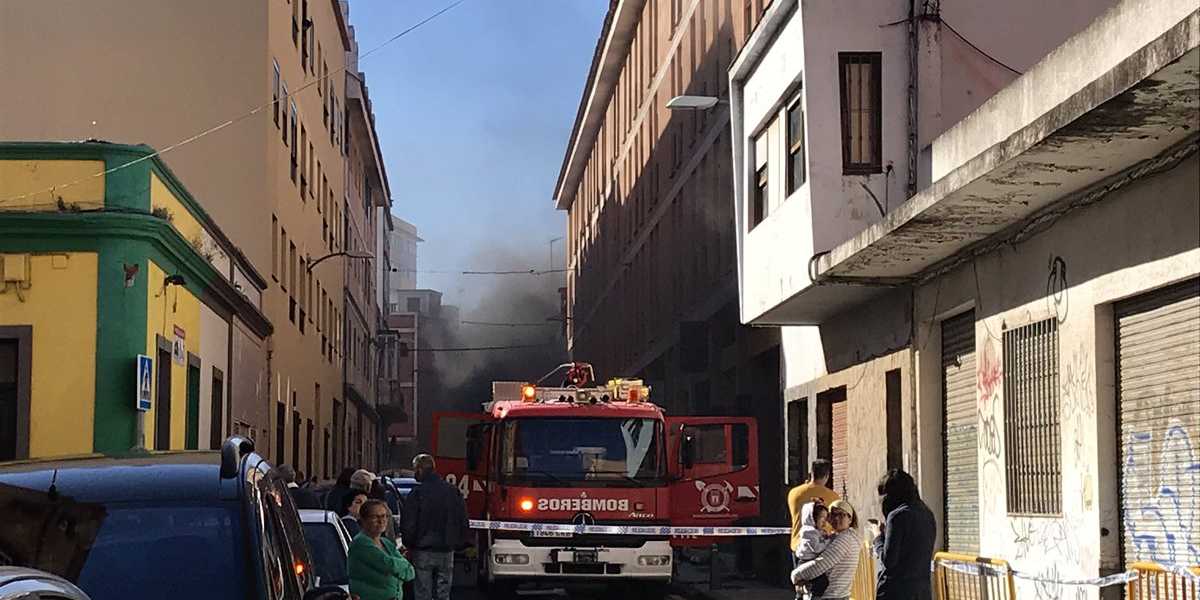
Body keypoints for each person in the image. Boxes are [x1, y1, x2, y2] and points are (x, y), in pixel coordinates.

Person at [400, 454, 470, 600]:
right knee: (443, 593)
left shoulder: (417, 493)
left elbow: (409, 523)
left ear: (420, 469)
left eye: (415, 469)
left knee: (422, 592)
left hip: (423, 550)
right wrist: (460, 544)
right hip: (447, 550)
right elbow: (462, 520)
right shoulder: (453, 491)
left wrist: (409, 543)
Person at [873, 468, 937, 600]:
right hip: (921, 592)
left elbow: (889, 560)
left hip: (896, 591)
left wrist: (878, 537)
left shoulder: (897, 516)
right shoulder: (927, 513)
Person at [792, 499, 862, 600]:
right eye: (832, 514)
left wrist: (795, 575)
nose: (836, 518)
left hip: (831, 596)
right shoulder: (844, 536)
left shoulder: (844, 539)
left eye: (841, 515)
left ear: (850, 519)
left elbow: (820, 564)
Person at [348, 499, 416, 600]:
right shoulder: (361, 543)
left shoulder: (386, 543)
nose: (381, 521)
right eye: (375, 517)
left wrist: (400, 567)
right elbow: (389, 565)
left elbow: (410, 572)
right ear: (364, 520)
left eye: (384, 516)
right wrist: (401, 565)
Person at [788, 460, 840, 561]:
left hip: (799, 545)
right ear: (827, 476)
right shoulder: (833, 497)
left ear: (811, 473)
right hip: (822, 546)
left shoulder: (794, 493)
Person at [794, 502, 831, 599]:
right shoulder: (809, 531)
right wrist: (828, 541)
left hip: (811, 560)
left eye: (825, 518)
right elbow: (817, 548)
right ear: (812, 518)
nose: (824, 521)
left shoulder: (816, 531)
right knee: (820, 582)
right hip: (806, 561)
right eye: (821, 518)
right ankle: (806, 592)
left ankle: (806, 592)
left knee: (820, 582)